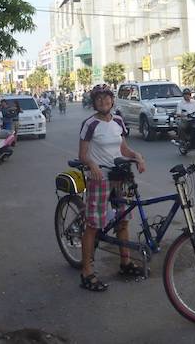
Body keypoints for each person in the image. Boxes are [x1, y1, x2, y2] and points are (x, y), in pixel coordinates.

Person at [78, 84, 146, 292]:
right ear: (94, 102)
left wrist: (137, 157)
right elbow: (83, 154)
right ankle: (87, 272)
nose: (103, 102)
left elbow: (123, 148)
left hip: (120, 176)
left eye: (106, 98)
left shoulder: (117, 121)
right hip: (100, 178)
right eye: (99, 99)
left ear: (112, 100)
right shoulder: (89, 124)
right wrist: (92, 165)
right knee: (93, 225)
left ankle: (125, 263)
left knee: (123, 221)